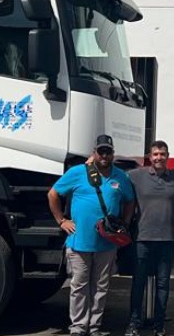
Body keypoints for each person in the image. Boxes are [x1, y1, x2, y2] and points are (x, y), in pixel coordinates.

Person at [50, 135, 137, 336]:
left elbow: (130, 201)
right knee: (79, 286)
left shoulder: (120, 177)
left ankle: (95, 325)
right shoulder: (78, 173)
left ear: (113, 154)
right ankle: (79, 327)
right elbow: (53, 194)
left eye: (108, 151)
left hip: (107, 243)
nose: (105, 155)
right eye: (101, 151)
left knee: (101, 286)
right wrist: (62, 220)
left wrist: (124, 223)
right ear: (94, 153)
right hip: (80, 242)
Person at [127, 140, 174, 336]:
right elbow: (114, 177)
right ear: (150, 157)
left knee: (163, 284)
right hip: (142, 238)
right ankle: (133, 324)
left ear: (168, 156)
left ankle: (159, 326)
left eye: (162, 154)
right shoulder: (136, 176)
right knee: (139, 282)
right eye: (155, 154)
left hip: (167, 239)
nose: (159, 157)